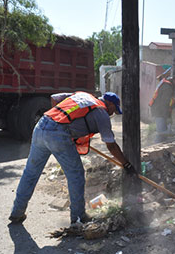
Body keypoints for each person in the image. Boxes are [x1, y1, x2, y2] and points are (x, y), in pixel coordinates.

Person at [9, 91, 136, 225]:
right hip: (58, 135)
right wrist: (126, 164)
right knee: (76, 175)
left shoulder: (83, 95)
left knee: (31, 172)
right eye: (114, 110)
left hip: (41, 126)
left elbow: (54, 99)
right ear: (109, 104)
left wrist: (65, 120)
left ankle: (17, 212)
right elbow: (111, 145)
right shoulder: (101, 112)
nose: (111, 114)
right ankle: (79, 218)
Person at [149, 72, 175, 142]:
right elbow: (164, 104)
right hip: (159, 111)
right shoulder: (167, 87)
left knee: (164, 133)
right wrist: (167, 117)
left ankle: (159, 147)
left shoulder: (169, 85)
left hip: (160, 110)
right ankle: (155, 146)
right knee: (162, 133)